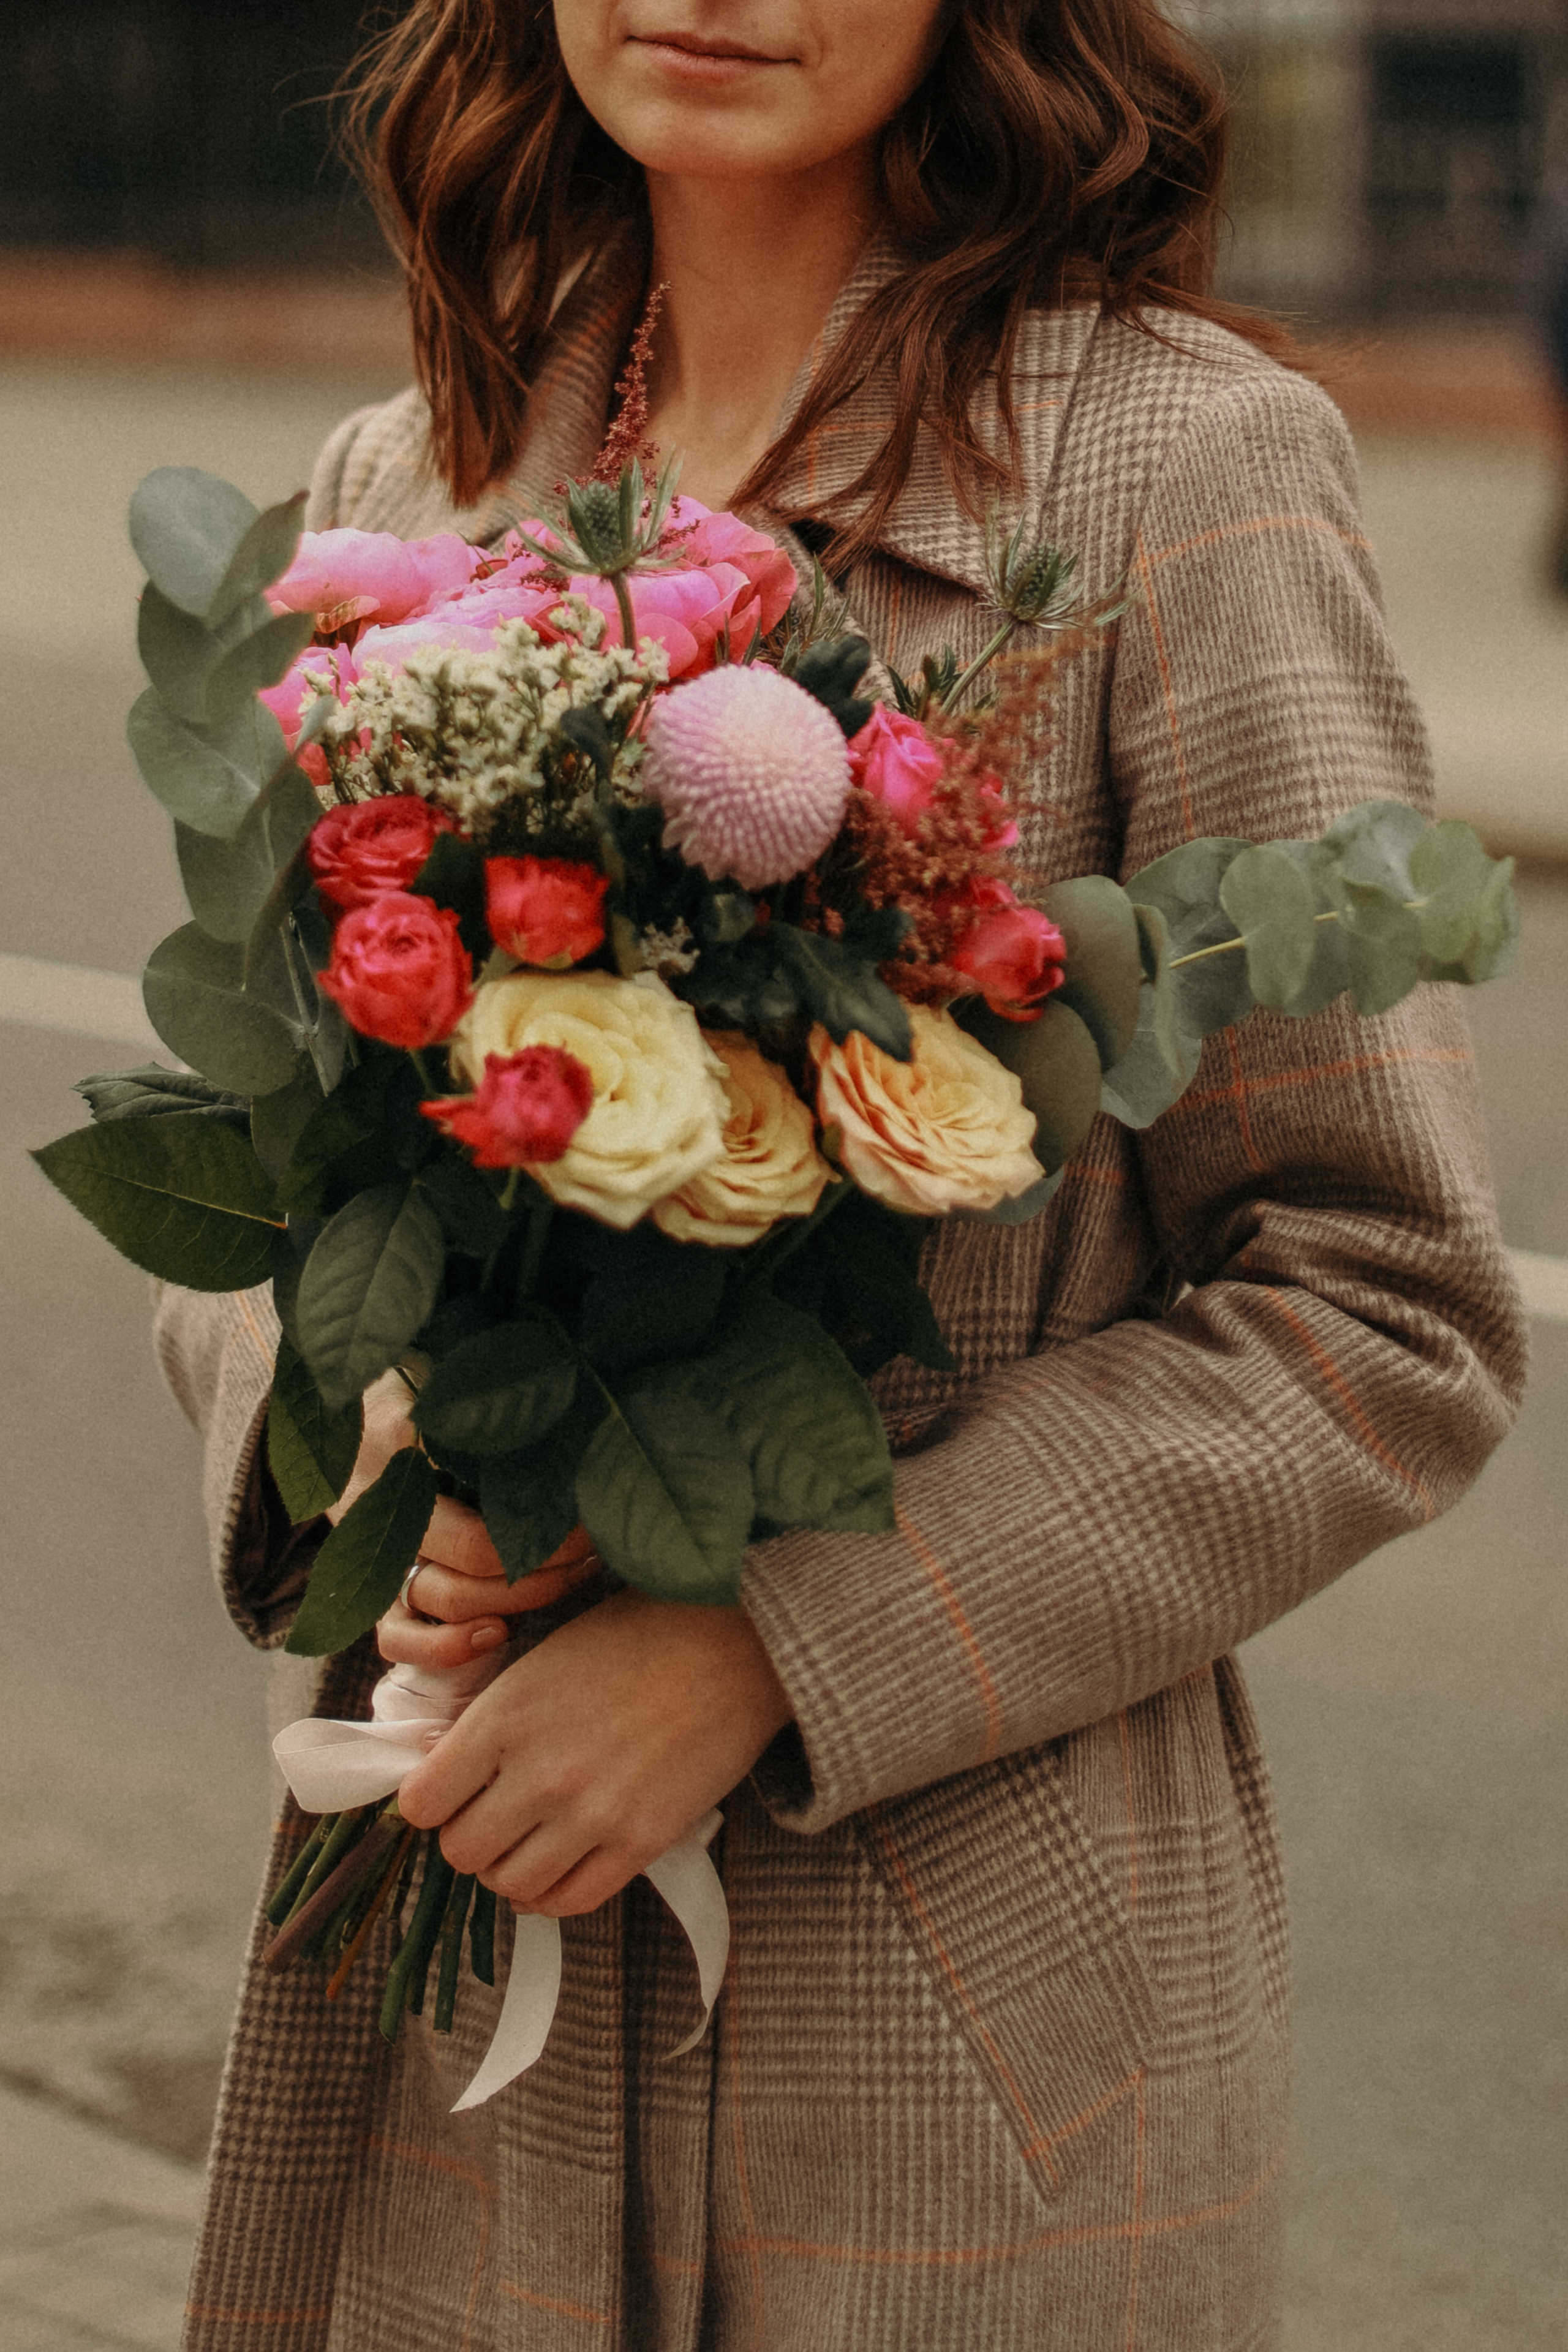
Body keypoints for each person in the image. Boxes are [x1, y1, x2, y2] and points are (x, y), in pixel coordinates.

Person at [155, 4, 1526, 2347]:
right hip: (465, 1921)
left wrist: (767, 1648)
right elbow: (266, 1181)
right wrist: (370, 1417)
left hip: (954, 2017)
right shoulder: (421, 468)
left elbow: (1381, 1307)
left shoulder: (1186, 468)